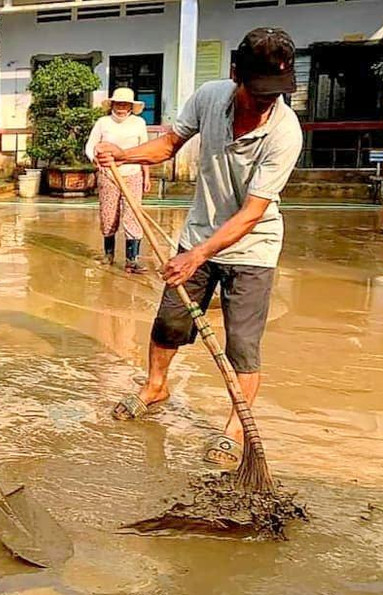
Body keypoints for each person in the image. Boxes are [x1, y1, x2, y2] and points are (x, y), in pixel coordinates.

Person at [99, 27, 303, 466]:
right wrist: (123, 154)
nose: (266, 102)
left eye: (275, 93)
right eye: (258, 91)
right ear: (235, 74)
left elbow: (252, 213)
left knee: (242, 346)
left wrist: (197, 256)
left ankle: (235, 426)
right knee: (169, 324)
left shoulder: (286, 133)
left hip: (252, 249)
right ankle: (156, 386)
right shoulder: (211, 98)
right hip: (197, 236)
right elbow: (170, 144)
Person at [85, 88, 151, 271]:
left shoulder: (139, 123)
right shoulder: (102, 122)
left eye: (125, 104)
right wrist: (95, 159)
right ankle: (109, 255)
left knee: (133, 214)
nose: (122, 107)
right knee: (109, 214)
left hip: (133, 174)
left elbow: (144, 150)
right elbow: (90, 146)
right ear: (112, 104)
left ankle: (132, 259)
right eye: (118, 103)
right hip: (108, 175)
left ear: (131, 106)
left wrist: (146, 175)